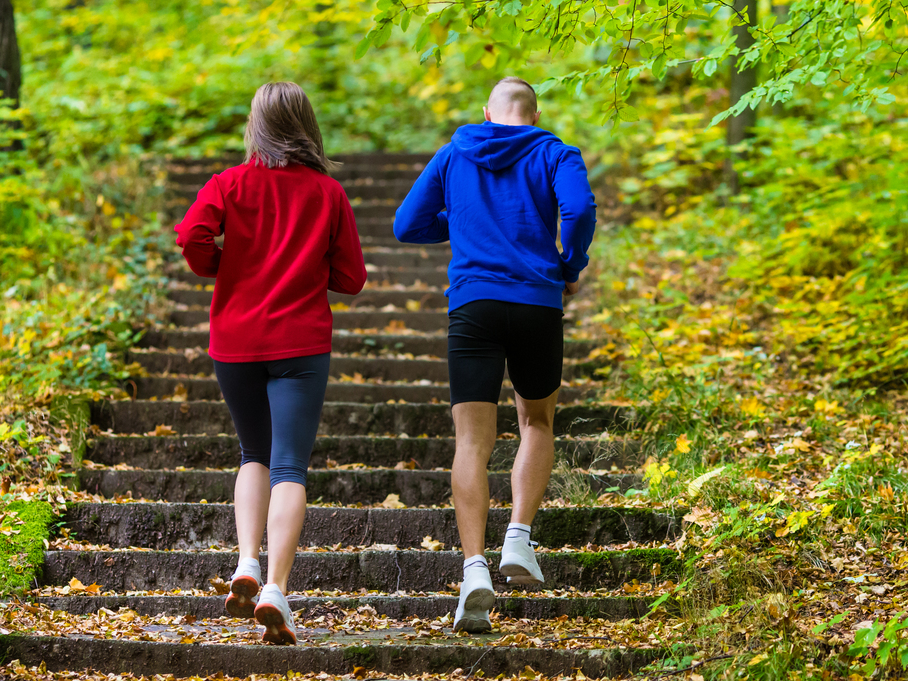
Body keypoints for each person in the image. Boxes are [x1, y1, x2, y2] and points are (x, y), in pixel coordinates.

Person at [393, 77, 597, 633]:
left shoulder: (453, 153)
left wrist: (460, 221)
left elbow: (406, 224)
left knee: (470, 440)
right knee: (536, 421)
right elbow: (578, 212)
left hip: (474, 306)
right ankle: (519, 538)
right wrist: (567, 266)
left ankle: (474, 567)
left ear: (487, 112)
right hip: (536, 302)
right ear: (534, 112)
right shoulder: (556, 152)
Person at [174, 82, 367, 645]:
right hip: (300, 343)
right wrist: (308, 273)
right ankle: (276, 588)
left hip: (235, 338)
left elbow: (191, 235)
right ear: (306, 124)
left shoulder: (228, 184)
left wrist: (221, 264)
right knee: (289, 466)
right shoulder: (327, 193)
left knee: (252, 453)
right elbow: (352, 279)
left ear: (255, 125)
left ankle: (245, 562)